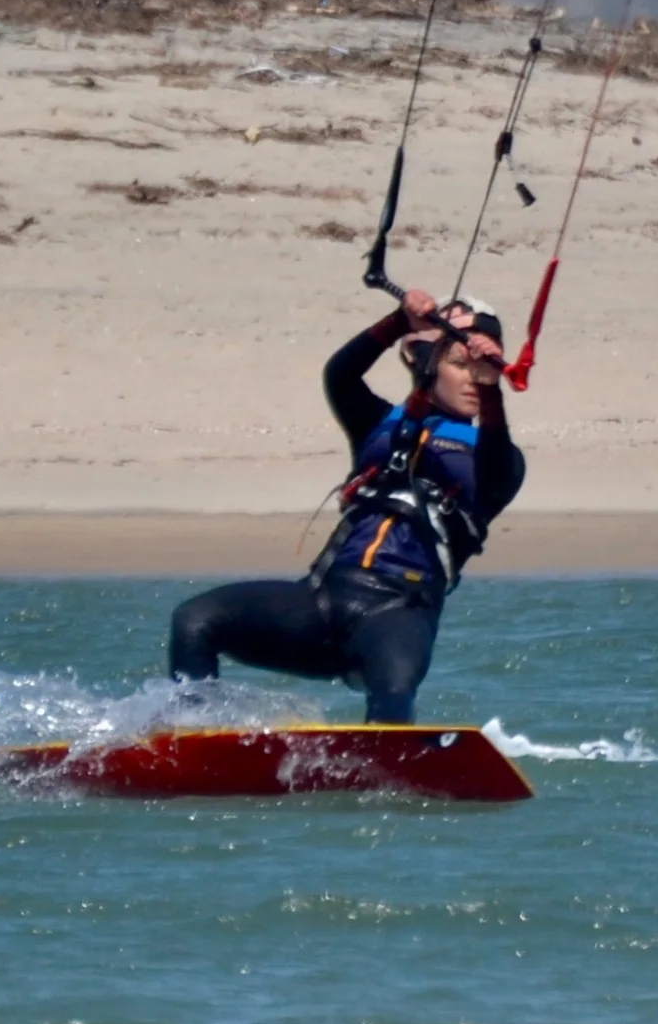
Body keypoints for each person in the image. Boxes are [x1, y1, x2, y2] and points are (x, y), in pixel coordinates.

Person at [165, 290, 525, 723]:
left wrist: (492, 393)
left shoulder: (498, 458)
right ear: (424, 361)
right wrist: (398, 322)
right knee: (194, 620)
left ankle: (385, 772)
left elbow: (496, 468)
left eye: (484, 370)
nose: (472, 379)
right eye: (460, 365)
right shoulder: (377, 424)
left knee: (394, 689)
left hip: (397, 613)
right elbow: (340, 375)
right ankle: (192, 733)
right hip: (319, 601)